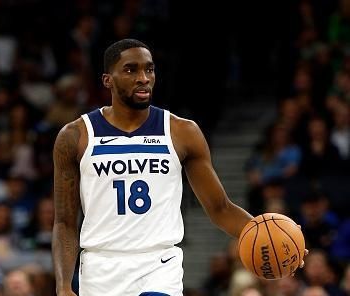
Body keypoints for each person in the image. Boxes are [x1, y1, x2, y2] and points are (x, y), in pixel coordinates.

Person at [51, 38, 300, 296]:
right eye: (130, 69)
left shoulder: (182, 132)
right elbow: (65, 222)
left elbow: (220, 208)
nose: (143, 77)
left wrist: (275, 239)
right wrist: (63, 286)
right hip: (100, 268)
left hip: (159, 266)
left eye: (149, 69)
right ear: (107, 80)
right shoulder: (75, 136)